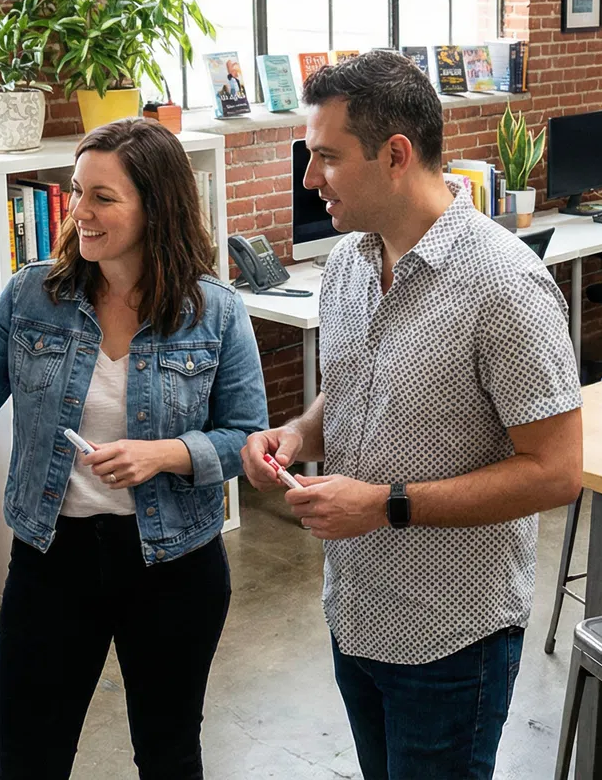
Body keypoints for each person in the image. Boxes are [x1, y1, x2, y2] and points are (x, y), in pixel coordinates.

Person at [0, 117, 267, 779]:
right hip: (52, 562)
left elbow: (247, 440)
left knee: (170, 755)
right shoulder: (34, 296)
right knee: (30, 762)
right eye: (77, 191)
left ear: (157, 205)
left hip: (174, 565)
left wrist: (165, 455)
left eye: (103, 196)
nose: (80, 212)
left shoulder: (214, 310)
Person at [240, 51, 582, 780]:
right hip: (356, 611)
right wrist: (298, 434)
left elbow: (556, 475)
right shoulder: (348, 265)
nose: (309, 179)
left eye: (326, 157)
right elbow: (356, 389)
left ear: (395, 155)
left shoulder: (505, 286)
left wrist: (387, 506)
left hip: (451, 637)